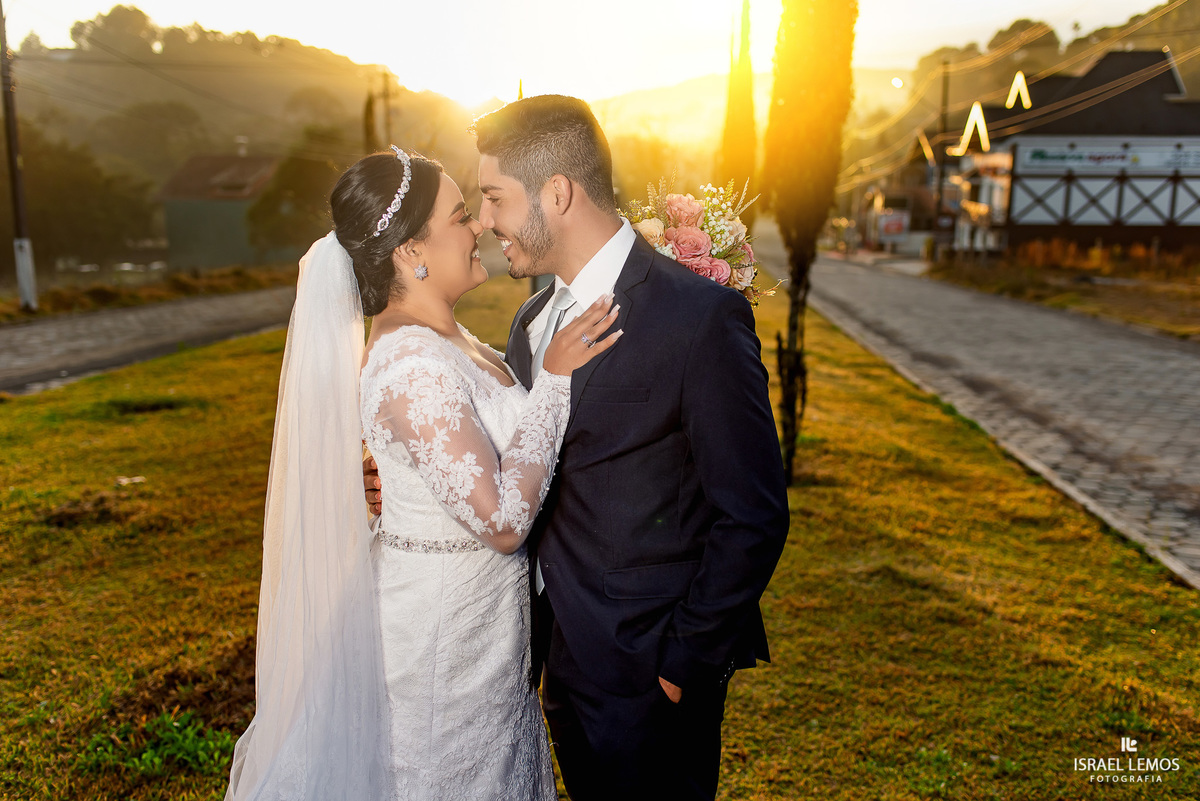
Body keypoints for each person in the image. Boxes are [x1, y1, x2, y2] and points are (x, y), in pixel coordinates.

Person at [366, 96, 790, 800]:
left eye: (495, 197)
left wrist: (682, 661)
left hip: (649, 677)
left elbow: (753, 514)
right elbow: (513, 465)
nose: (487, 220)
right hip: (539, 666)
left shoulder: (698, 317)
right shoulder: (532, 322)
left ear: (556, 192)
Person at [227, 146, 620, 801]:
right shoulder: (411, 365)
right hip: (441, 645)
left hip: (490, 640)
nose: (479, 229)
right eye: (462, 216)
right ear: (412, 251)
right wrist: (553, 379)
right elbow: (498, 521)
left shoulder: (456, 342)